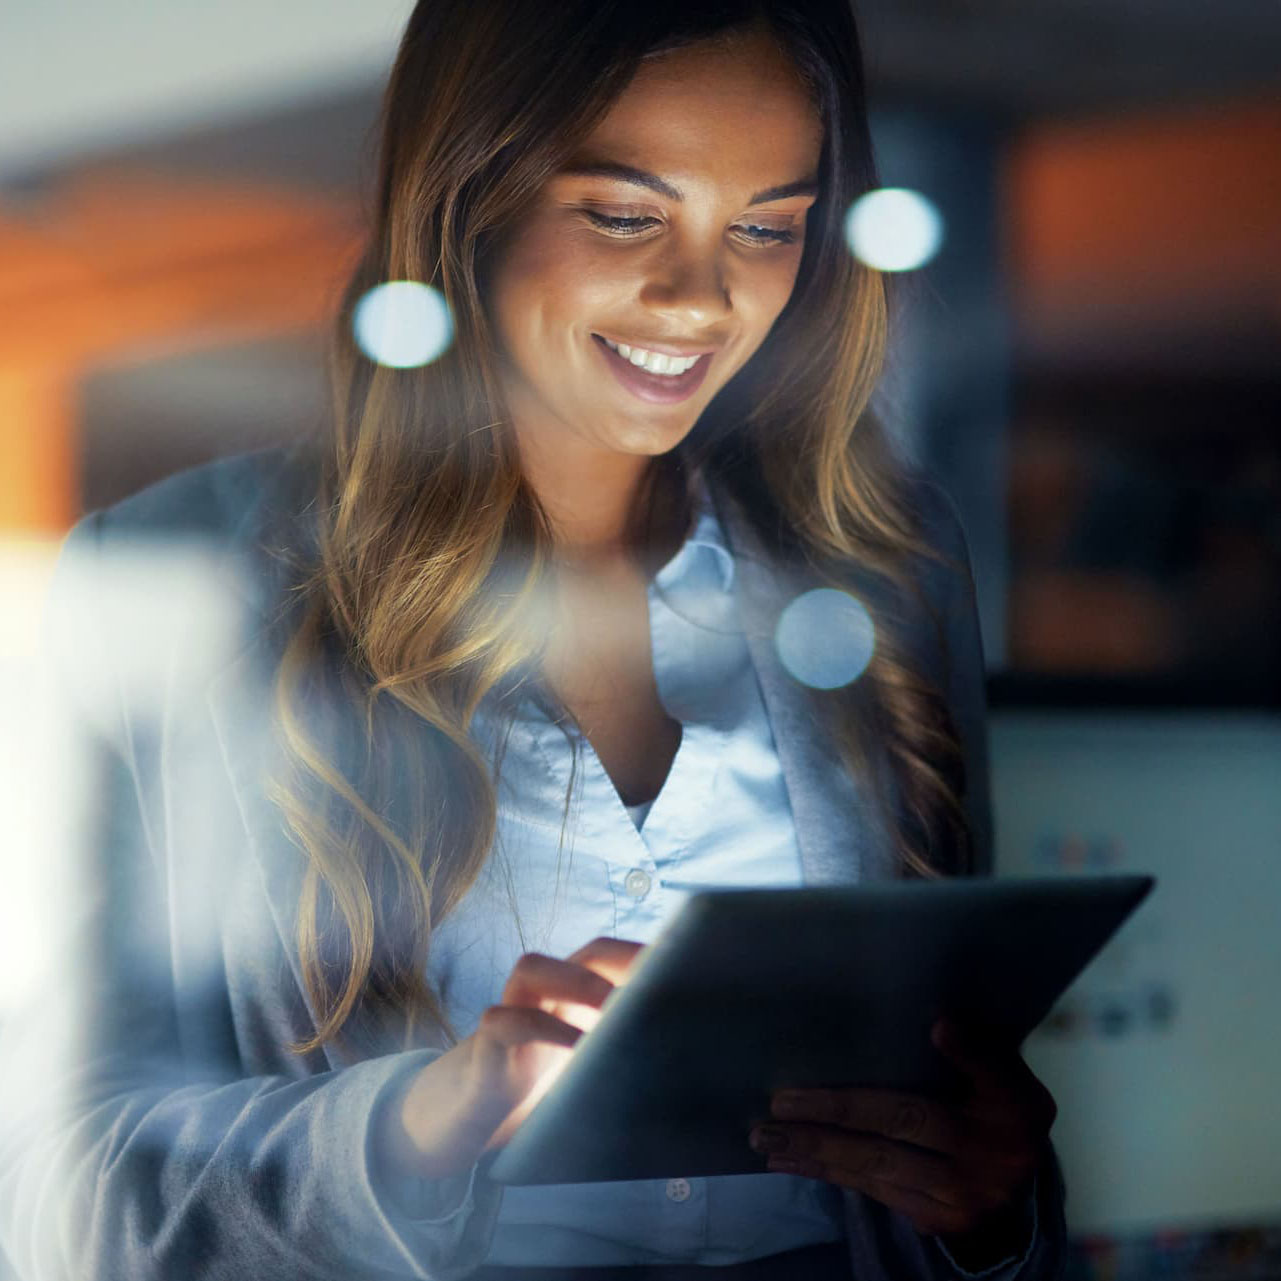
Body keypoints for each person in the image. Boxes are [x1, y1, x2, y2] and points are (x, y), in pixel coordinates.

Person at [0, 1, 1068, 1278]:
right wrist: (415, 1126)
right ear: (469, 198)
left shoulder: (891, 571)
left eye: (768, 228)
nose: (703, 299)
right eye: (624, 215)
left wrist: (992, 1208)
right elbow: (54, 1186)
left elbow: (959, 1111)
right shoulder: (182, 577)